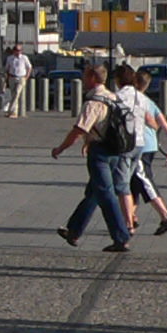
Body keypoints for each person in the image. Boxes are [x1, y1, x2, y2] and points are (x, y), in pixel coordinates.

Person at [52, 64, 136, 253]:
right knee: (94, 192)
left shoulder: (93, 102)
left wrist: (60, 148)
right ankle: (73, 230)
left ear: (92, 77)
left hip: (100, 153)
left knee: (105, 193)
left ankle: (121, 237)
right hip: (115, 149)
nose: (82, 79)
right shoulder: (113, 97)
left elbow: (79, 130)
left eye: (85, 76)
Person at [117, 64, 167, 236]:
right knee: (134, 184)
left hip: (139, 146)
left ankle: (165, 216)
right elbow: (160, 123)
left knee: (143, 180)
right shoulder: (147, 101)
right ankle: (131, 218)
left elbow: (151, 121)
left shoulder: (136, 100)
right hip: (149, 145)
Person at [5, 44, 33, 119]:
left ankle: (11, 111)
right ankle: (14, 112)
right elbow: (7, 68)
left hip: (21, 77)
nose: (18, 52)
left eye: (19, 50)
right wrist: (7, 78)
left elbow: (29, 67)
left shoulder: (24, 58)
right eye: (16, 50)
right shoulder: (10, 58)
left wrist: (26, 77)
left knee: (17, 93)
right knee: (13, 95)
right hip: (12, 77)